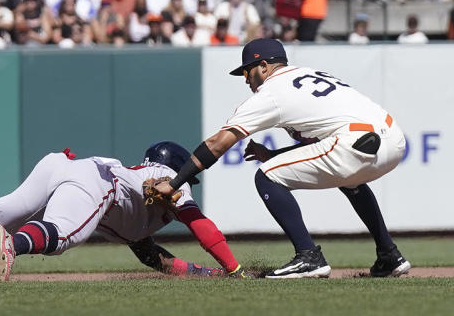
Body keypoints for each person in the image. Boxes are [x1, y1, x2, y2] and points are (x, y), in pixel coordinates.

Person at [154, 38, 411, 279]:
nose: (246, 81)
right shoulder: (307, 73)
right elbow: (325, 140)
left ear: (264, 67)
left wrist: (174, 183)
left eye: (247, 72)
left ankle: (309, 257)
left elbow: (217, 144)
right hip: (392, 139)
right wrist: (273, 154)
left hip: (355, 143)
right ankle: (389, 255)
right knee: (350, 179)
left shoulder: (271, 91)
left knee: (266, 176)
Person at [0, 142, 247, 284]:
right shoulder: (168, 179)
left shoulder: (139, 216)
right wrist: (232, 268)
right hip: (93, 180)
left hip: (61, 166)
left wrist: (205, 274)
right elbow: (200, 223)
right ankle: (13, 246)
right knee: (62, 235)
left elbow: (151, 256)